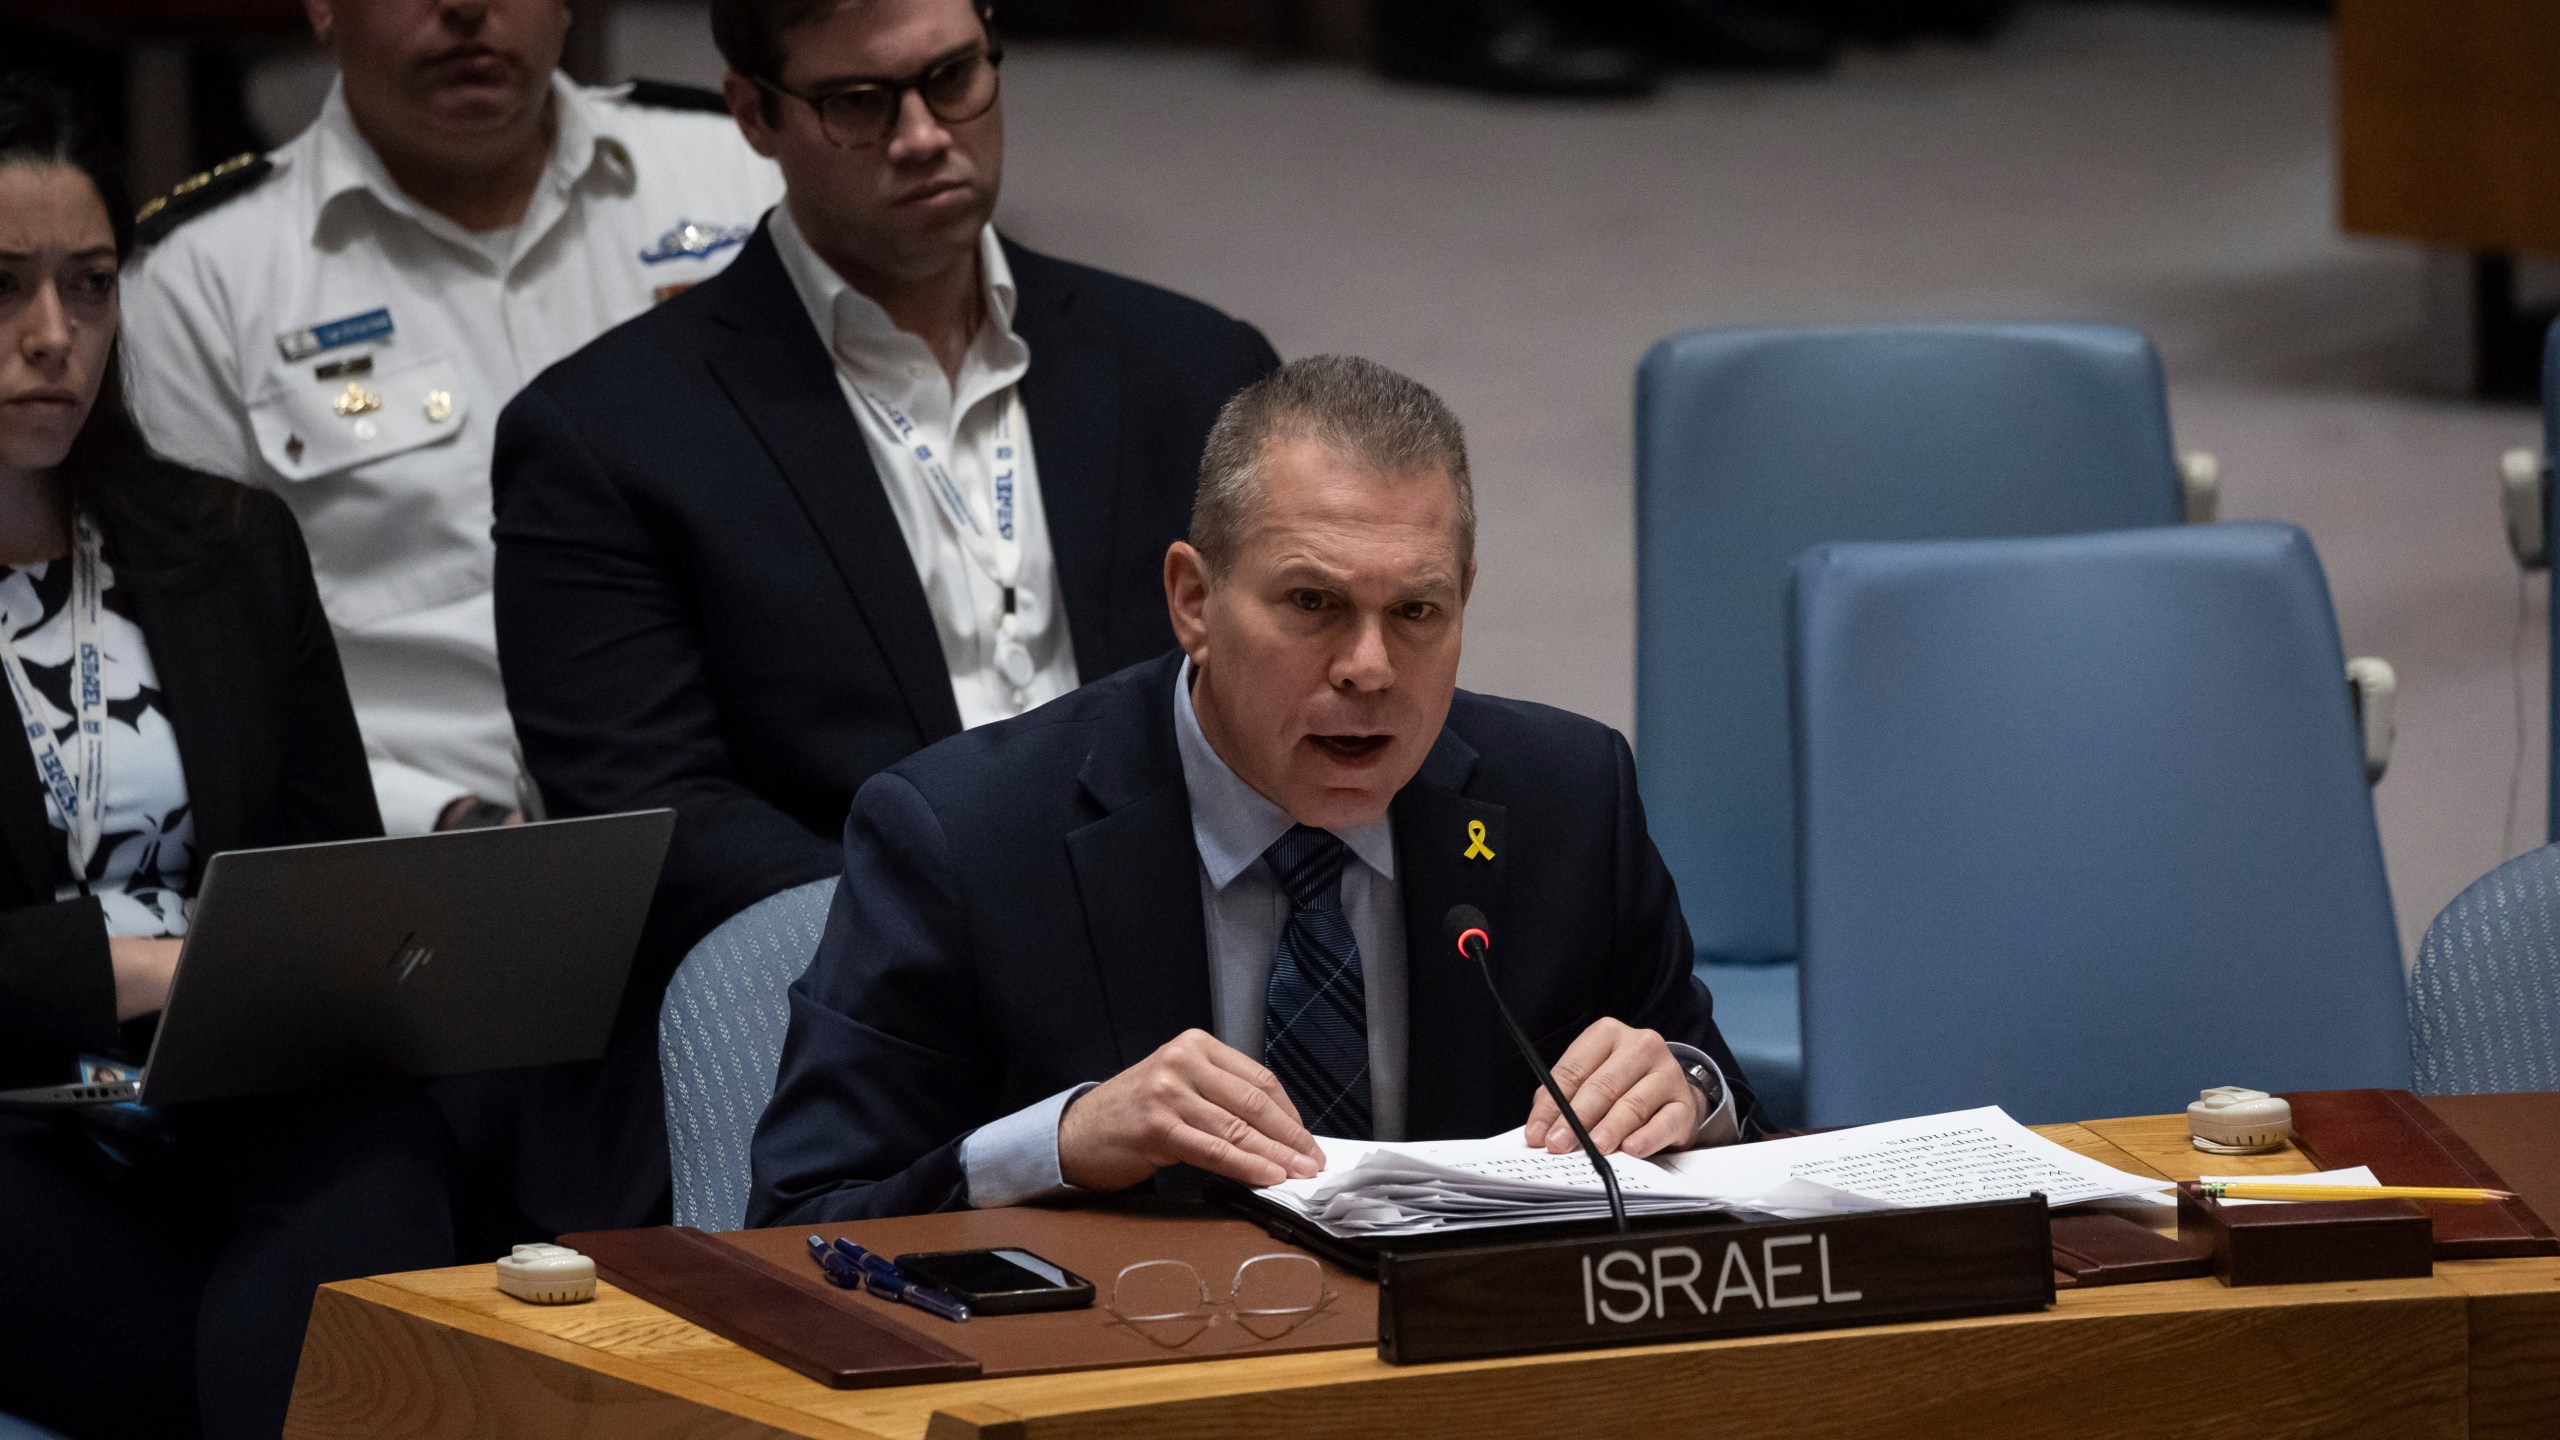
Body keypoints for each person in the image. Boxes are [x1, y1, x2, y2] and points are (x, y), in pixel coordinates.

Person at [489, 0, 1279, 1226]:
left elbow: (1287, 688)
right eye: (859, 103)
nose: (923, 135)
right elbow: (656, 809)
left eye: (952, 78)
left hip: (1197, 989)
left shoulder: (1194, 367)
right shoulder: (604, 434)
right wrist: (975, 944)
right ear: (752, 112)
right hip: (853, 1018)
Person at [750, 355, 1757, 1224]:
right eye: (1312, 603)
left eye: (1416, 611)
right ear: (1193, 599)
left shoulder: (1565, 802)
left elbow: (1726, 1106)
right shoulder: (966, 837)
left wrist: (1690, 1090)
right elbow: (802, 1218)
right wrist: (1059, 1143)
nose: (1369, 667)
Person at [0, 76, 454, 1440]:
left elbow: (330, 865)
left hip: (234, 1087)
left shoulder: (227, 548)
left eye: (88, 286)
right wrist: (138, 968)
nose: (51, 337)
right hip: (19, 1108)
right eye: (5, 286)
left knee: (389, 1167)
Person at [116, 0, 782, 839]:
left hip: (782, 796)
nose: (467, 8)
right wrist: (450, 824)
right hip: (433, 857)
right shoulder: (198, 281)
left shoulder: (741, 170)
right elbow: (209, 677)